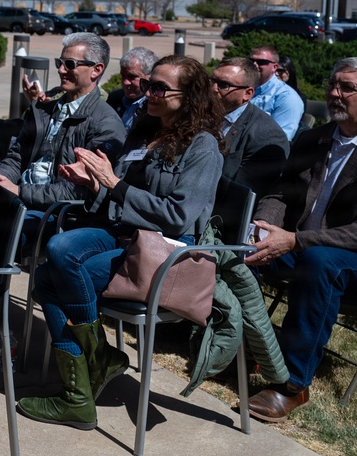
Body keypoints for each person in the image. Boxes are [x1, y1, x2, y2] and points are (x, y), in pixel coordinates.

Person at [16, 55, 225, 431]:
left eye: (161, 88)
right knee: (59, 250)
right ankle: (98, 359)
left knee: (50, 281)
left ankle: (79, 393)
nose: (150, 93)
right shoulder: (147, 130)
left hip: (164, 250)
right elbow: (118, 193)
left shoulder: (203, 147)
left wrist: (114, 184)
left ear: (190, 97)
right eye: (150, 85)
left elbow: (178, 216)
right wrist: (91, 183)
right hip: (122, 231)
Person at [245, 57, 357, 423]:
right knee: (243, 247)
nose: (334, 93)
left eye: (347, 88)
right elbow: (280, 193)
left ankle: (292, 384)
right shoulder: (314, 137)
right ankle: (247, 346)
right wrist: (264, 225)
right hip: (303, 244)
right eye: (332, 84)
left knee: (321, 263)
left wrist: (295, 240)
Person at [0, 32, 126, 211]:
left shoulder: (106, 124)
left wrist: (19, 191)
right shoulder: (44, 110)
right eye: (59, 63)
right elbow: (17, 157)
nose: (61, 70)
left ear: (96, 70)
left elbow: (79, 189)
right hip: (20, 197)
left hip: (52, 212)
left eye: (70, 64)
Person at [212, 57, 289, 199]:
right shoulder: (200, 114)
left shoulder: (266, 135)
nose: (213, 89)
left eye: (223, 85)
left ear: (247, 93)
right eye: (212, 81)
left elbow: (240, 194)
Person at [249, 45, 304, 140]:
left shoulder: (287, 97)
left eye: (261, 62)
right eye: (251, 61)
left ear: (274, 67)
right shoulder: (243, 87)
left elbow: (279, 140)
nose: (254, 65)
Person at [106, 47, 159, 131]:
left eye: (132, 77)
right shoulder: (114, 98)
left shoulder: (157, 106)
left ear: (151, 76)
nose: (125, 82)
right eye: (123, 76)